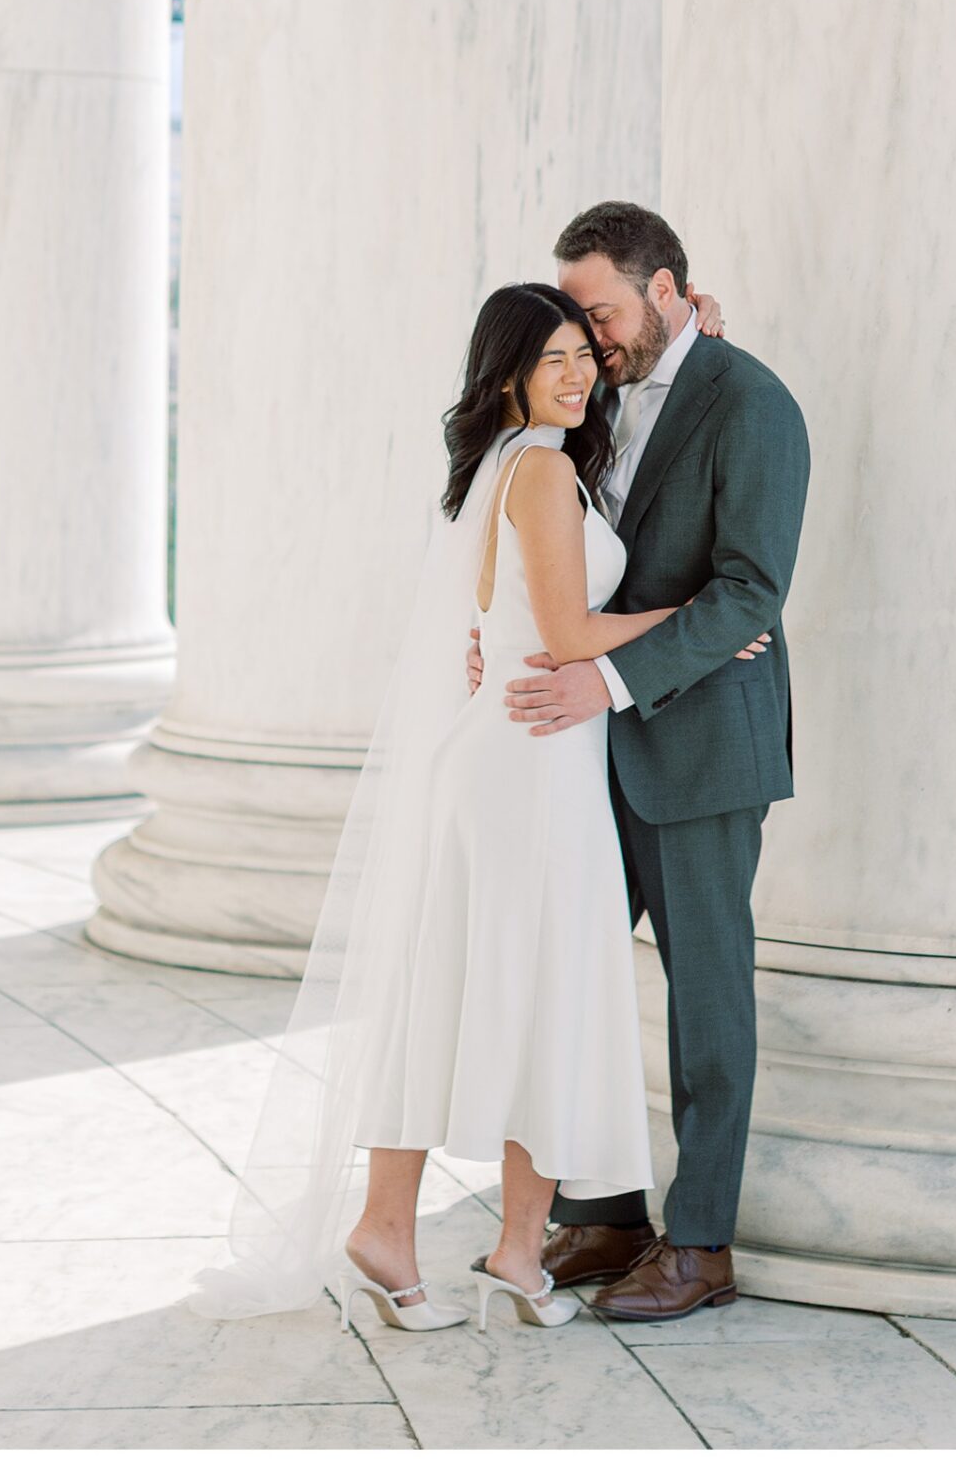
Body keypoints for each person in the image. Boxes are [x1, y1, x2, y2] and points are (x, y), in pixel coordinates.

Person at [183, 275, 763, 1335]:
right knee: (513, 990)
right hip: (526, 768)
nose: (579, 371)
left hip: (533, 757)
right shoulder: (537, 470)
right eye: (554, 360)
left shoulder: (523, 463)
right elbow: (569, 630)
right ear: (505, 378)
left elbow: (520, 620)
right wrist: (699, 616)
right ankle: (399, 1229)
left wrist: (695, 328)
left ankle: (502, 1250)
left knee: (508, 992)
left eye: (584, 354)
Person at [467, 200, 810, 1322]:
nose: (587, 334)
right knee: (570, 977)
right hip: (580, 748)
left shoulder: (752, 403)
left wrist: (601, 678)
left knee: (705, 1000)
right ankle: (604, 1209)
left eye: (603, 310)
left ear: (667, 289)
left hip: (699, 741)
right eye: (575, 315)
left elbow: (749, 593)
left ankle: (699, 1241)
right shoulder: (595, 384)